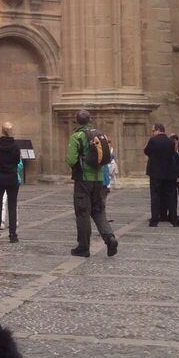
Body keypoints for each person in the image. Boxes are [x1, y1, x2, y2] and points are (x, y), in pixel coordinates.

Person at [66, 110, 118, 258]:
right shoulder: (99, 134)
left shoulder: (76, 136)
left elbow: (70, 159)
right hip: (99, 179)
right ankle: (110, 238)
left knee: (83, 212)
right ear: (90, 120)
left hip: (83, 180)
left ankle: (83, 247)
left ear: (76, 121)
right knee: (98, 210)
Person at [0, 122, 21, 243]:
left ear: (2, 131)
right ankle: (13, 235)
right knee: (12, 206)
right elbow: (17, 160)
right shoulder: (15, 146)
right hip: (12, 178)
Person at [143, 123, 179, 227]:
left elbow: (146, 151)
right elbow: (173, 154)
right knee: (171, 196)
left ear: (158, 130)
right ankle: (174, 219)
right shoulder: (170, 141)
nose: (153, 133)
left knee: (155, 196)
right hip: (169, 173)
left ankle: (155, 219)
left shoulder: (153, 140)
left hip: (156, 172)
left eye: (153, 131)